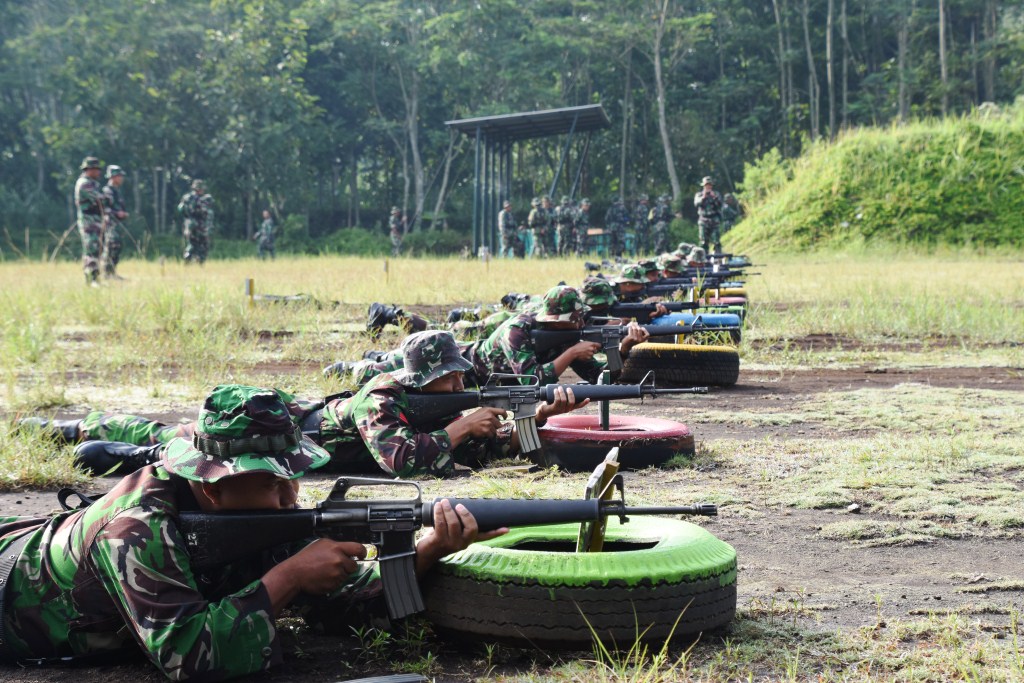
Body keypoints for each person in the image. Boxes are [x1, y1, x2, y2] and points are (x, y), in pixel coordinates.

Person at [0, 384, 498, 680]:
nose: (289, 496)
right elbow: (188, 658)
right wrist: (290, 578)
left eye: (293, 475)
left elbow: (344, 602)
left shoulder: (254, 513)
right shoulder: (135, 530)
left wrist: (429, 548)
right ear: (212, 488)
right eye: (269, 480)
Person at [29, 333, 586, 480]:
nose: (459, 381)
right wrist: (462, 427)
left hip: (320, 446)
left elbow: (487, 449)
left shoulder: (443, 408)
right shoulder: (384, 396)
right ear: (421, 378)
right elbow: (402, 461)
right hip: (292, 430)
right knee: (170, 435)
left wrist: (531, 423)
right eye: (447, 377)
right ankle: (78, 425)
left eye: (460, 374)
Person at [471, 284, 649, 385]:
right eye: (574, 319)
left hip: (503, 384)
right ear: (554, 320)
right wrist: (572, 354)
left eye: (581, 317)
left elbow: (600, 378)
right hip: (470, 371)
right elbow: (532, 380)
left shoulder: (567, 334)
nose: (580, 323)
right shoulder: (517, 330)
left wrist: (623, 350)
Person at [74, 157, 105, 286]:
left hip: (95, 221)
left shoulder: (92, 183)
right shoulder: (84, 183)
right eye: (96, 169)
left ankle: (95, 278)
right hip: (89, 222)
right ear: (89, 170)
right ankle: (91, 279)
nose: (98, 172)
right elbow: (100, 199)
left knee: (97, 249)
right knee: (91, 248)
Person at [101, 165, 129, 280]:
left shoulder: (116, 191)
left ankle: (112, 273)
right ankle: (107, 274)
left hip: (116, 224)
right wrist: (116, 213)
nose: (121, 178)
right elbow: (103, 208)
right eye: (119, 176)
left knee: (117, 246)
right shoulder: (107, 191)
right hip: (109, 224)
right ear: (113, 177)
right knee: (111, 246)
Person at [178, 179, 214, 265]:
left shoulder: (187, 198)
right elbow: (206, 212)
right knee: (201, 245)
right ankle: (198, 263)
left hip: (190, 225)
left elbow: (180, 209)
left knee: (192, 244)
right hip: (200, 227)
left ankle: (189, 260)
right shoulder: (203, 199)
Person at [694, 176, 723, 256]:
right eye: (707, 185)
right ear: (703, 186)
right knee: (703, 242)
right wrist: (703, 197)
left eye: (710, 185)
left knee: (716, 241)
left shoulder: (716, 194)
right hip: (703, 220)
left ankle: (718, 259)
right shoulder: (699, 195)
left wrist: (714, 197)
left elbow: (720, 205)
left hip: (714, 219)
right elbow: (696, 204)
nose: (708, 187)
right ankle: (704, 260)